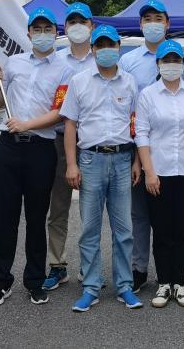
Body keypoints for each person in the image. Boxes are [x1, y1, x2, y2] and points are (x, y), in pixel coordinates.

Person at [0, 7, 72, 307]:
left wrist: (27, 124)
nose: (42, 34)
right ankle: (1, 281)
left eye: (48, 29)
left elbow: (60, 112)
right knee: (6, 217)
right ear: (29, 33)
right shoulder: (14, 62)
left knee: (36, 218)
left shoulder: (64, 69)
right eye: (37, 29)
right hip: (8, 148)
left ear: (56, 33)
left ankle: (34, 281)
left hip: (41, 149)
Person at [61, 24, 143, 312]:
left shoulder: (130, 82)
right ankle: (91, 287)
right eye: (101, 45)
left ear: (119, 47)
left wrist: (137, 161)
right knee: (89, 229)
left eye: (111, 45)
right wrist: (71, 164)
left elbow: (137, 124)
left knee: (124, 230)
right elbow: (70, 124)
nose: (106, 50)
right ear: (93, 49)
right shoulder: (79, 81)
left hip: (122, 160)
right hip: (90, 160)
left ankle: (125, 286)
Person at [118, 0, 184, 293]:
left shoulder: (183, 59)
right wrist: (138, 159)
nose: (153, 24)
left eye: (158, 18)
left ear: (167, 23)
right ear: (140, 24)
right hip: (136, 145)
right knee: (140, 214)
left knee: (173, 216)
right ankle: (139, 268)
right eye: (147, 19)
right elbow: (129, 110)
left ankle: (175, 271)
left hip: (171, 152)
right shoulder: (128, 61)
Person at [135, 40, 184, 308]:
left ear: (183, 64)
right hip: (159, 172)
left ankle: (179, 282)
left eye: (176, 60)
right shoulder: (148, 95)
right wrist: (149, 171)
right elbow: (141, 134)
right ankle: (163, 283)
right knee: (161, 230)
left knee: (183, 230)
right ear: (158, 64)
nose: (171, 65)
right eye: (166, 60)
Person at [43, 2, 96, 292]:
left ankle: (89, 267)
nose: (77, 26)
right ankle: (57, 265)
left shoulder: (102, 58)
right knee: (58, 207)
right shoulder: (56, 61)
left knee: (91, 210)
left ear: (91, 26)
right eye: (72, 22)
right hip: (59, 141)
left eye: (82, 21)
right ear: (65, 28)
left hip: (92, 143)